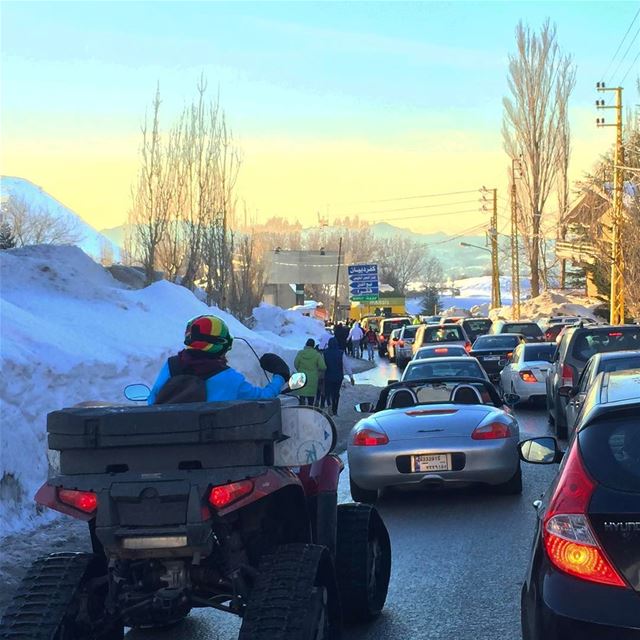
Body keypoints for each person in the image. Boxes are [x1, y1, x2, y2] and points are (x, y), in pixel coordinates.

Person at [147, 315, 289, 404]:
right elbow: (264, 399)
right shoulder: (229, 379)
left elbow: (153, 400)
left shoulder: (171, 366)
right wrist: (280, 376)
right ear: (220, 347)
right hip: (215, 449)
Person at [323, 337, 354, 416]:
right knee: (336, 393)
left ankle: (329, 403)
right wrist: (351, 377)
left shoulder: (325, 353)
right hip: (338, 377)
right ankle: (335, 410)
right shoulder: (341, 353)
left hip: (328, 376)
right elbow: (346, 365)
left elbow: (322, 366)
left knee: (328, 392)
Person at [293, 338, 326, 406]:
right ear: (313, 346)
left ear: (306, 344)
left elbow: (296, 363)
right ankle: (310, 411)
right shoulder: (317, 355)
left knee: (302, 396)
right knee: (310, 399)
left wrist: (300, 370)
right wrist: (317, 371)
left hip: (301, 378)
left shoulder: (300, 353)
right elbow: (323, 367)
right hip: (312, 378)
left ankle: (301, 411)